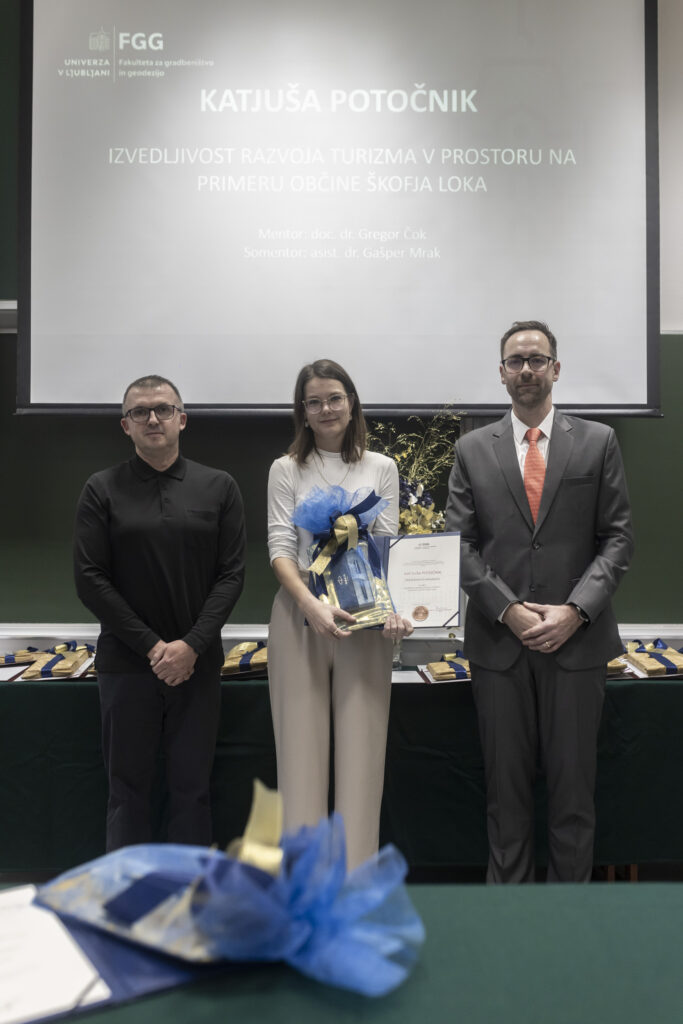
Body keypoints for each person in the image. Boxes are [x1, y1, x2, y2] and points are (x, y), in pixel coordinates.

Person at [446, 321, 633, 883]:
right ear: (501, 374)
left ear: (556, 368)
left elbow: (619, 537)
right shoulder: (471, 449)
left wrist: (576, 611)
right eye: (515, 362)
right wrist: (509, 608)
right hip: (499, 646)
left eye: (536, 359)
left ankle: (566, 927)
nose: (526, 370)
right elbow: (459, 543)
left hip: (578, 646)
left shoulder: (598, 441)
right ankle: (510, 928)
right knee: (505, 799)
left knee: (574, 797)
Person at [74, 374, 246, 850]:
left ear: (182, 419)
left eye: (163, 409)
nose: (153, 418)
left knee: (192, 792)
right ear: (124, 426)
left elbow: (231, 575)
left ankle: (191, 899)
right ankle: (127, 899)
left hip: (199, 666)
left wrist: (190, 646)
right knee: (126, 793)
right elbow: (89, 578)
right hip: (127, 666)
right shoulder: (101, 489)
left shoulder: (220, 487)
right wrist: (153, 647)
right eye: (140, 412)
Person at [267, 359, 413, 871]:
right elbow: (281, 548)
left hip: (366, 620)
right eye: (314, 402)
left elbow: (387, 547)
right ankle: (304, 898)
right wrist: (311, 606)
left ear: (351, 404)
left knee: (362, 762)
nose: (326, 409)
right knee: (301, 764)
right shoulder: (286, 468)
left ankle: (354, 897)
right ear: (302, 413)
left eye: (335, 398)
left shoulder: (382, 467)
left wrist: (394, 610)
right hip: (299, 618)